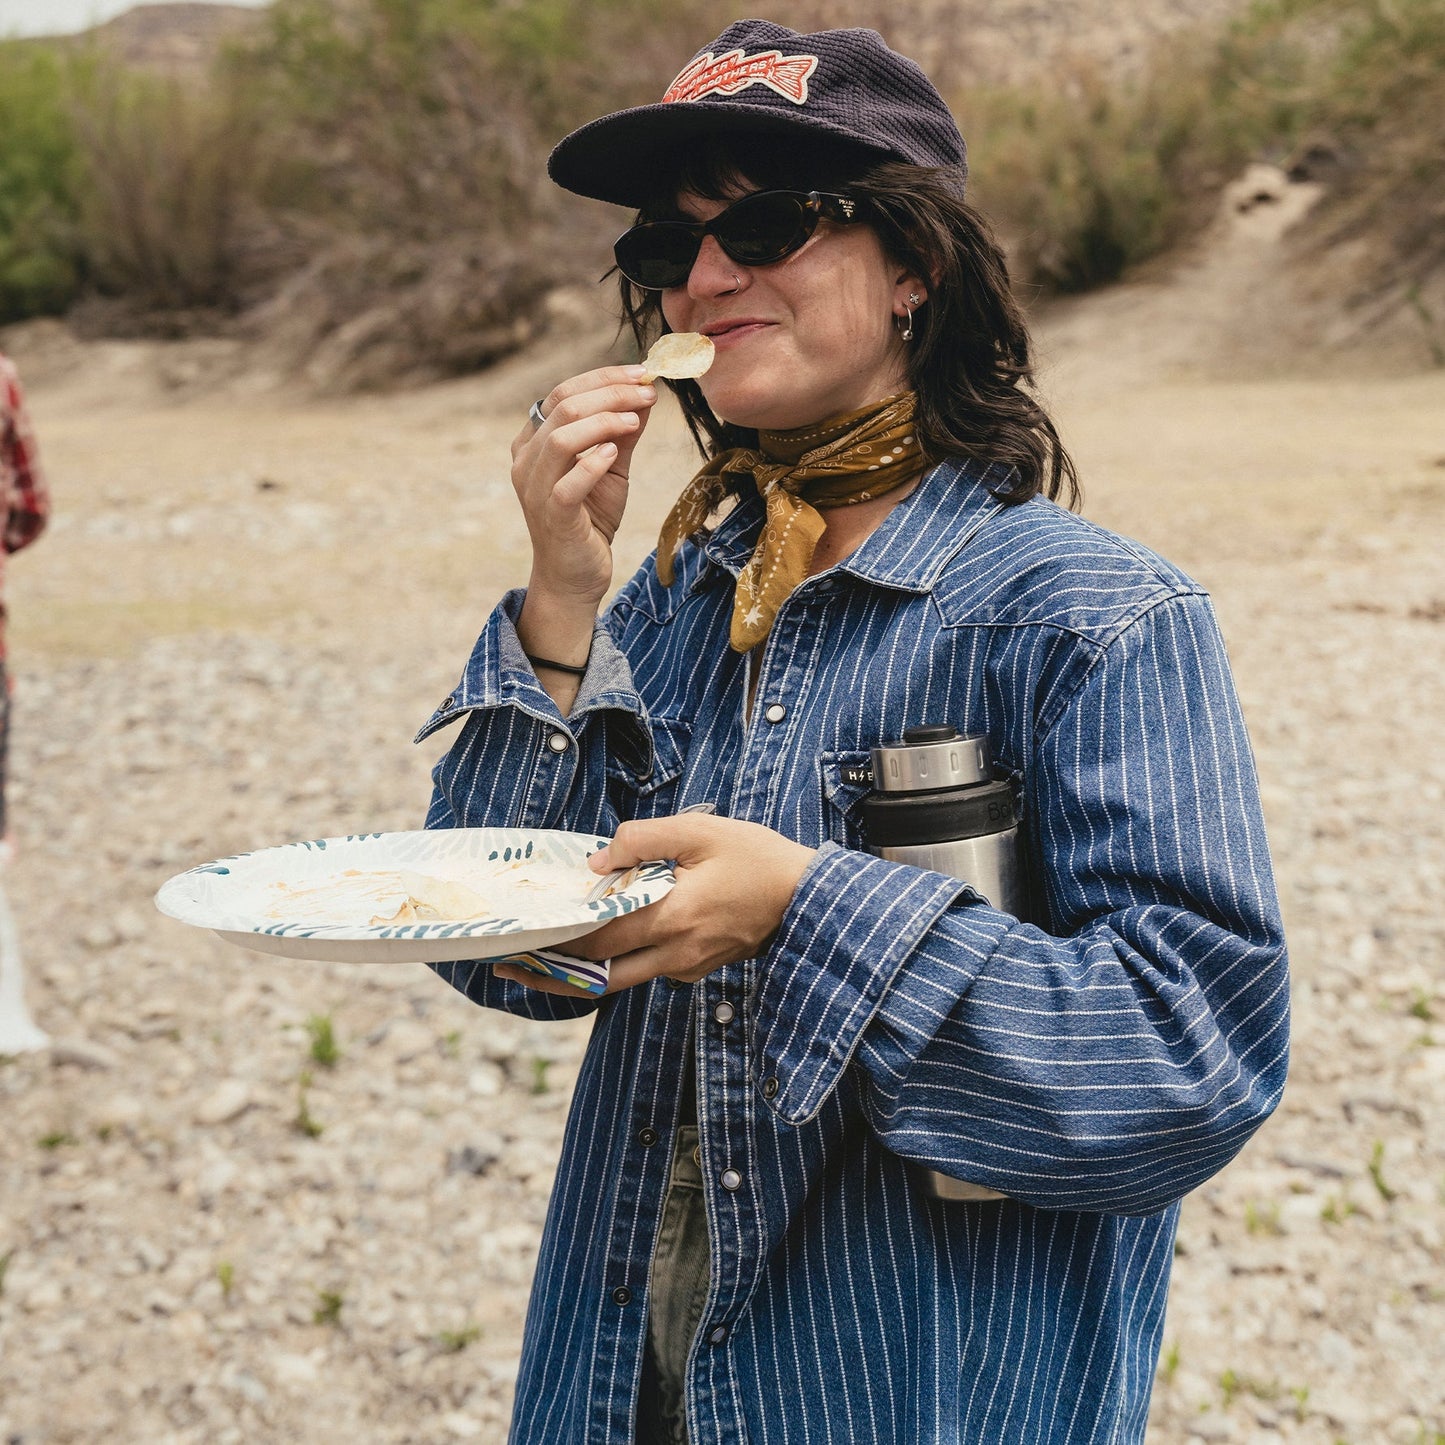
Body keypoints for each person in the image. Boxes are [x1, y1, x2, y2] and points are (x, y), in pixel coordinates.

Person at [418, 19, 1289, 1444]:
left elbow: (1189, 1065)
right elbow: (504, 963)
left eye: (762, 222)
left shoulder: (1093, 615)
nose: (706, 275)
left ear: (911, 268)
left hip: (911, 1398)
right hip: (623, 1388)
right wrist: (562, 605)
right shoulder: (683, 592)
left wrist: (806, 910)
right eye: (668, 247)